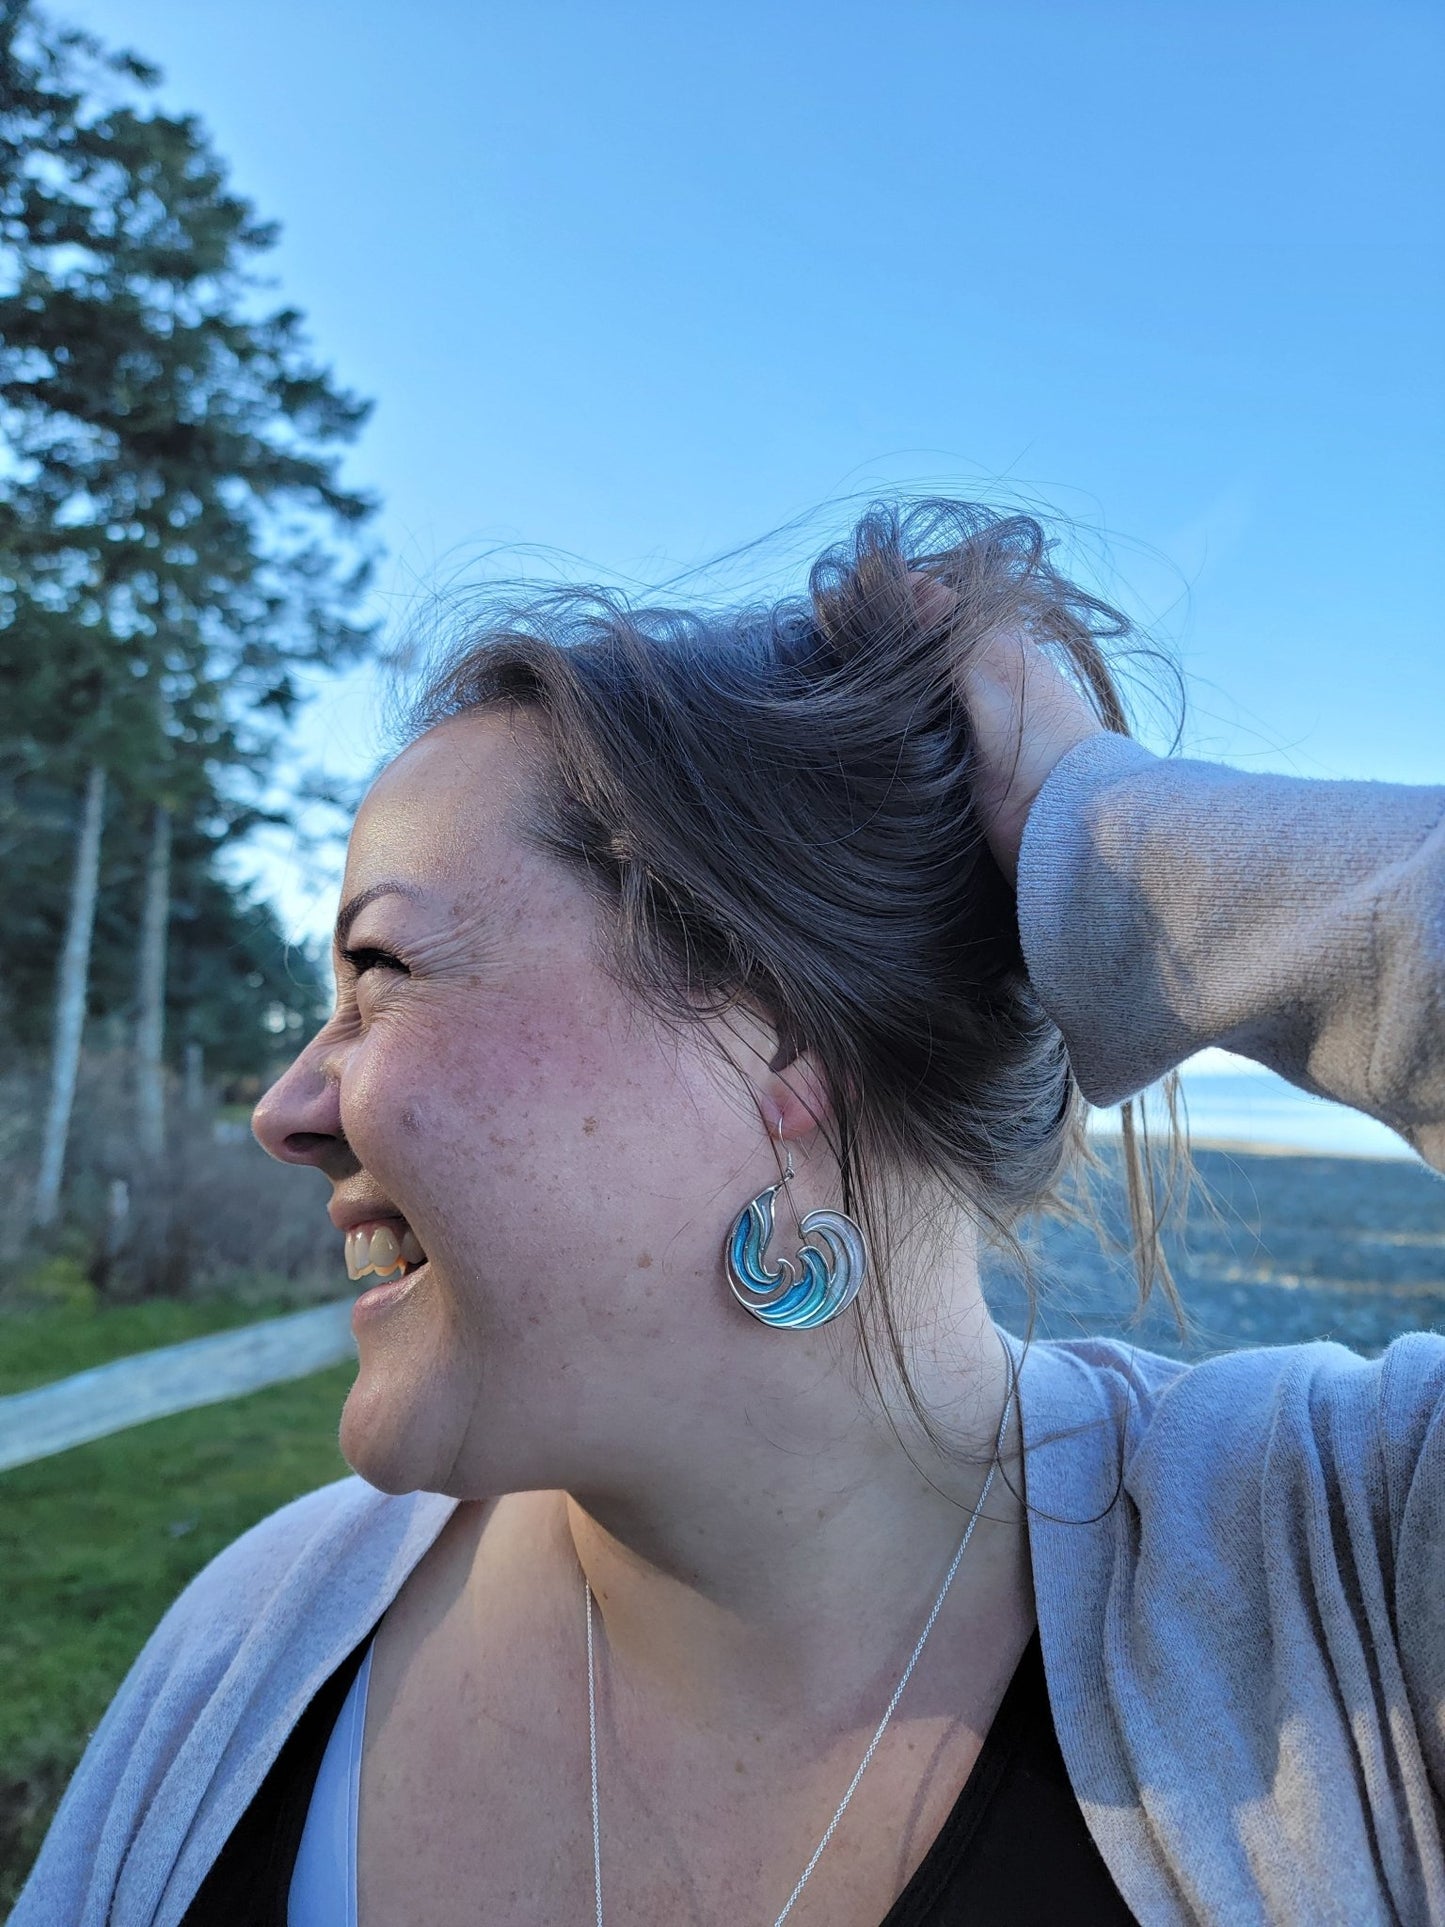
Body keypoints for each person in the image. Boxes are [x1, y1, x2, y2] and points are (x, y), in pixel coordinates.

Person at [13, 501, 1443, 1927]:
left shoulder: (1345, 1566)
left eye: (381, 969)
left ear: (769, 1039)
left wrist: (1101, 827)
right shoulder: (253, 1641)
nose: (285, 1110)